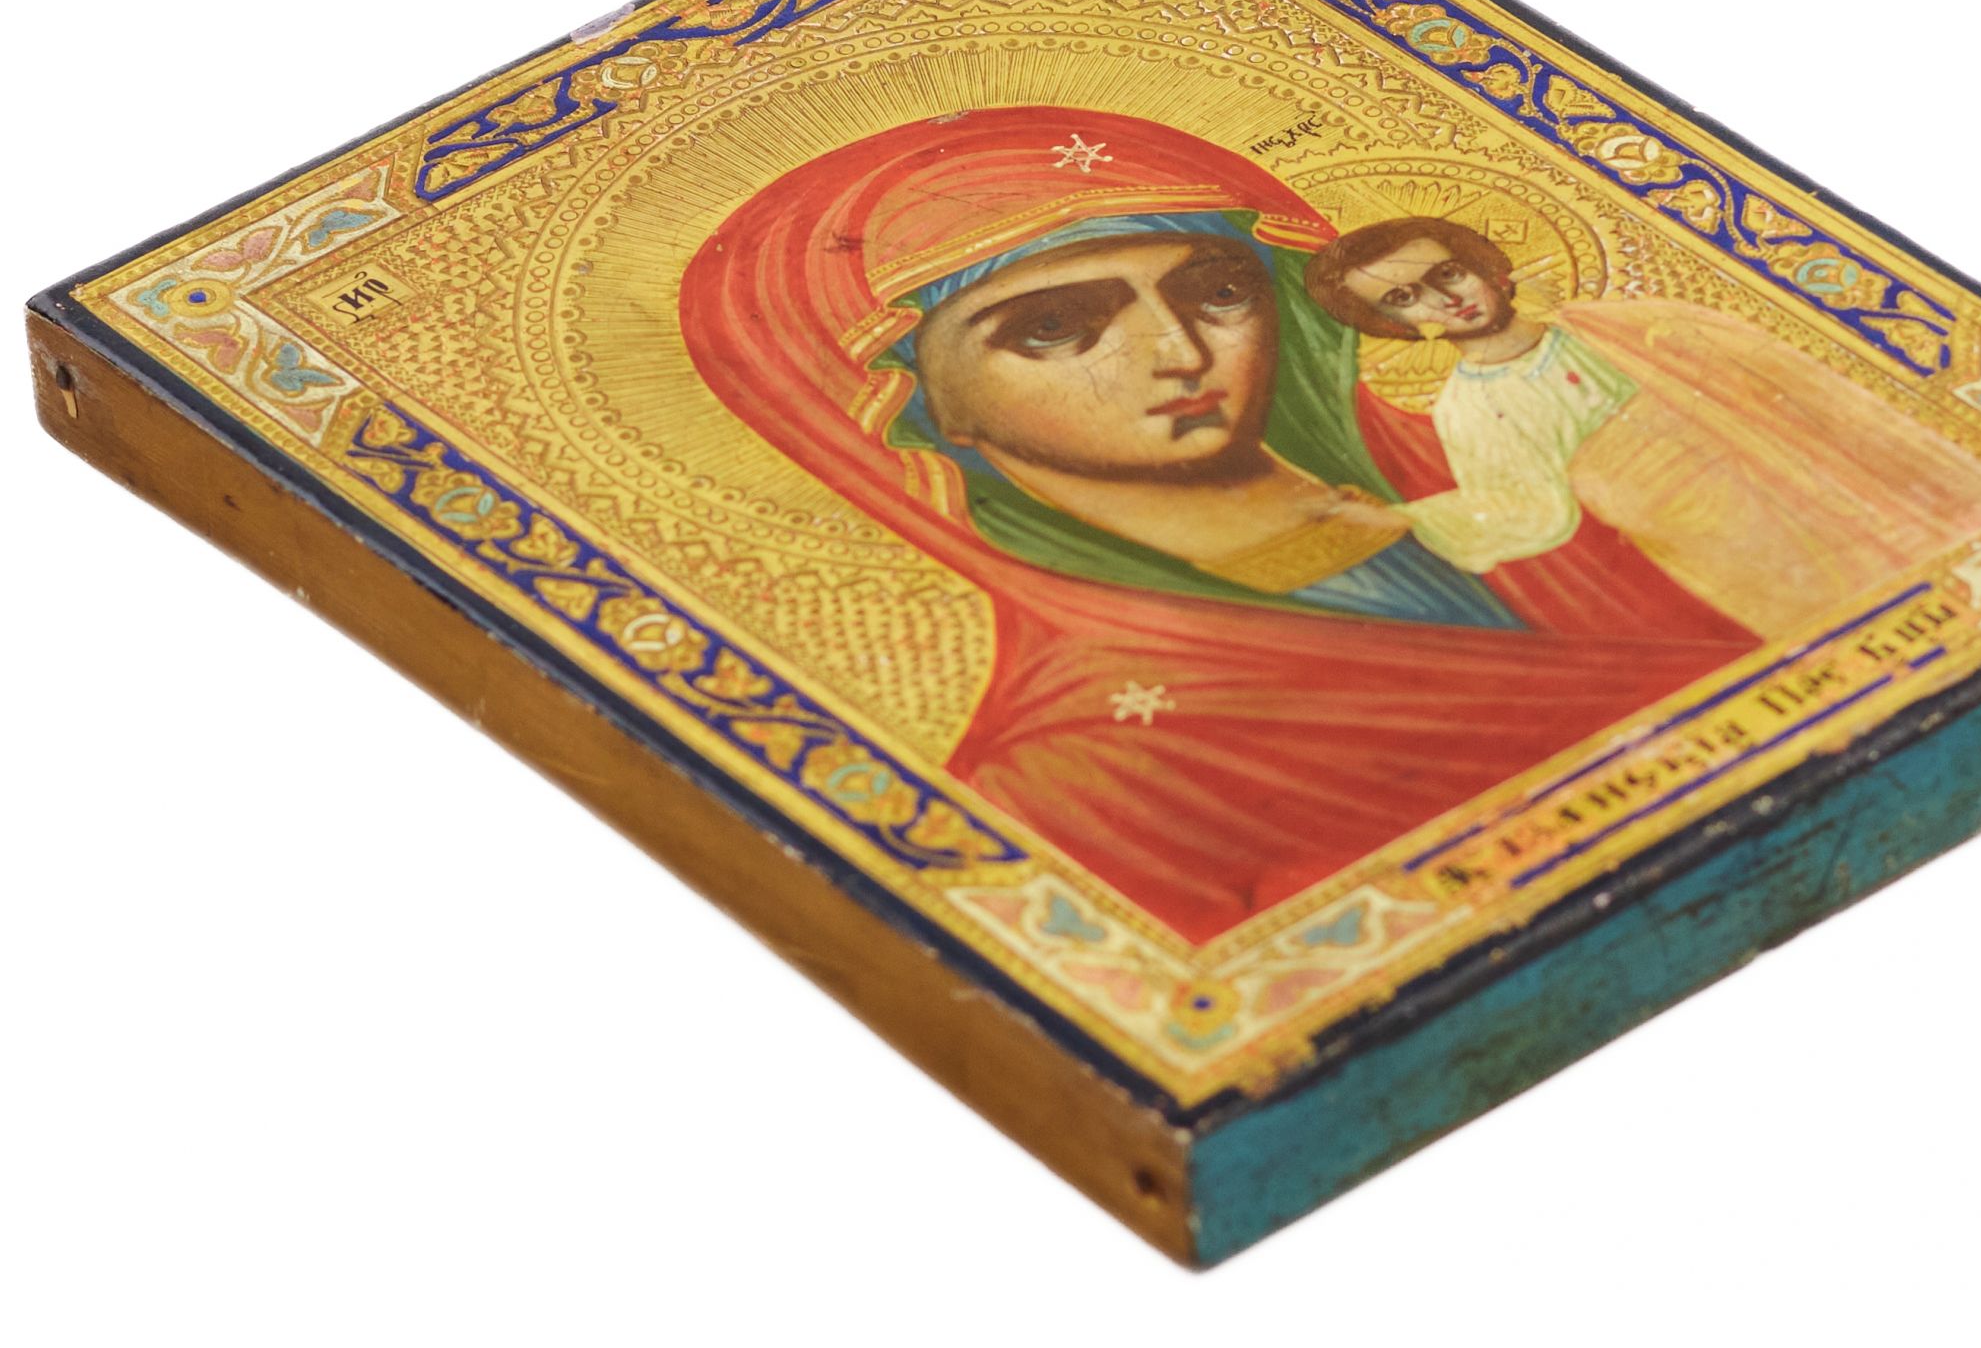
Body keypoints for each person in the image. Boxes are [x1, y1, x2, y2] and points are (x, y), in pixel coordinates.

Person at [680, 109, 1755, 943]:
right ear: (907, 401)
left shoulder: (1517, 459)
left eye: (1219, 288)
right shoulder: (1076, 766)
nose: (1183, 352)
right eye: (1052, 326)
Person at [1306, 216, 1981, 638]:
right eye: (1406, 297)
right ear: (1393, 324)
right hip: (1715, 538)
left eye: (1447, 275)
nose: (1443, 300)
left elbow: (1801, 384)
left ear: (1479, 266)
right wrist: (1405, 520)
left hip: (1808, 475)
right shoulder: (1469, 408)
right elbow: (1526, 511)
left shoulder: (1630, 325)